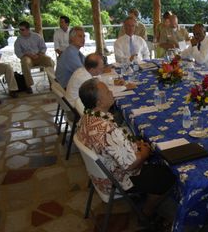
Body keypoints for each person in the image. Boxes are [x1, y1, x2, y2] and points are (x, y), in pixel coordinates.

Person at [76, 78, 175, 217]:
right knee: (168, 175)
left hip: (100, 173)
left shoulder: (86, 117)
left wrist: (134, 146)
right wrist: (144, 152)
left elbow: (115, 144)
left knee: (142, 142)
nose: (111, 92)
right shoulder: (106, 129)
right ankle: (147, 212)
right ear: (99, 102)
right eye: (107, 91)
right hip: (118, 179)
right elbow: (131, 165)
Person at [65, 53, 135, 106]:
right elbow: (104, 94)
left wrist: (113, 82)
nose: (103, 70)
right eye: (101, 68)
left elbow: (99, 79)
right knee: (107, 101)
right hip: (77, 109)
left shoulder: (83, 70)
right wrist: (125, 87)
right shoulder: (84, 78)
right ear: (92, 69)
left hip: (78, 103)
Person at [14, 21, 54, 93]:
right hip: (27, 57)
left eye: (22, 30)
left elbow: (43, 48)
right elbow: (18, 53)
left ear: (28, 29)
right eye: (19, 30)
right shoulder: (18, 40)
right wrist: (28, 55)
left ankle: (52, 83)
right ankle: (28, 86)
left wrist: (39, 54)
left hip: (38, 56)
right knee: (25, 62)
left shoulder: (37, 36)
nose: (20, 31)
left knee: (49, 60)